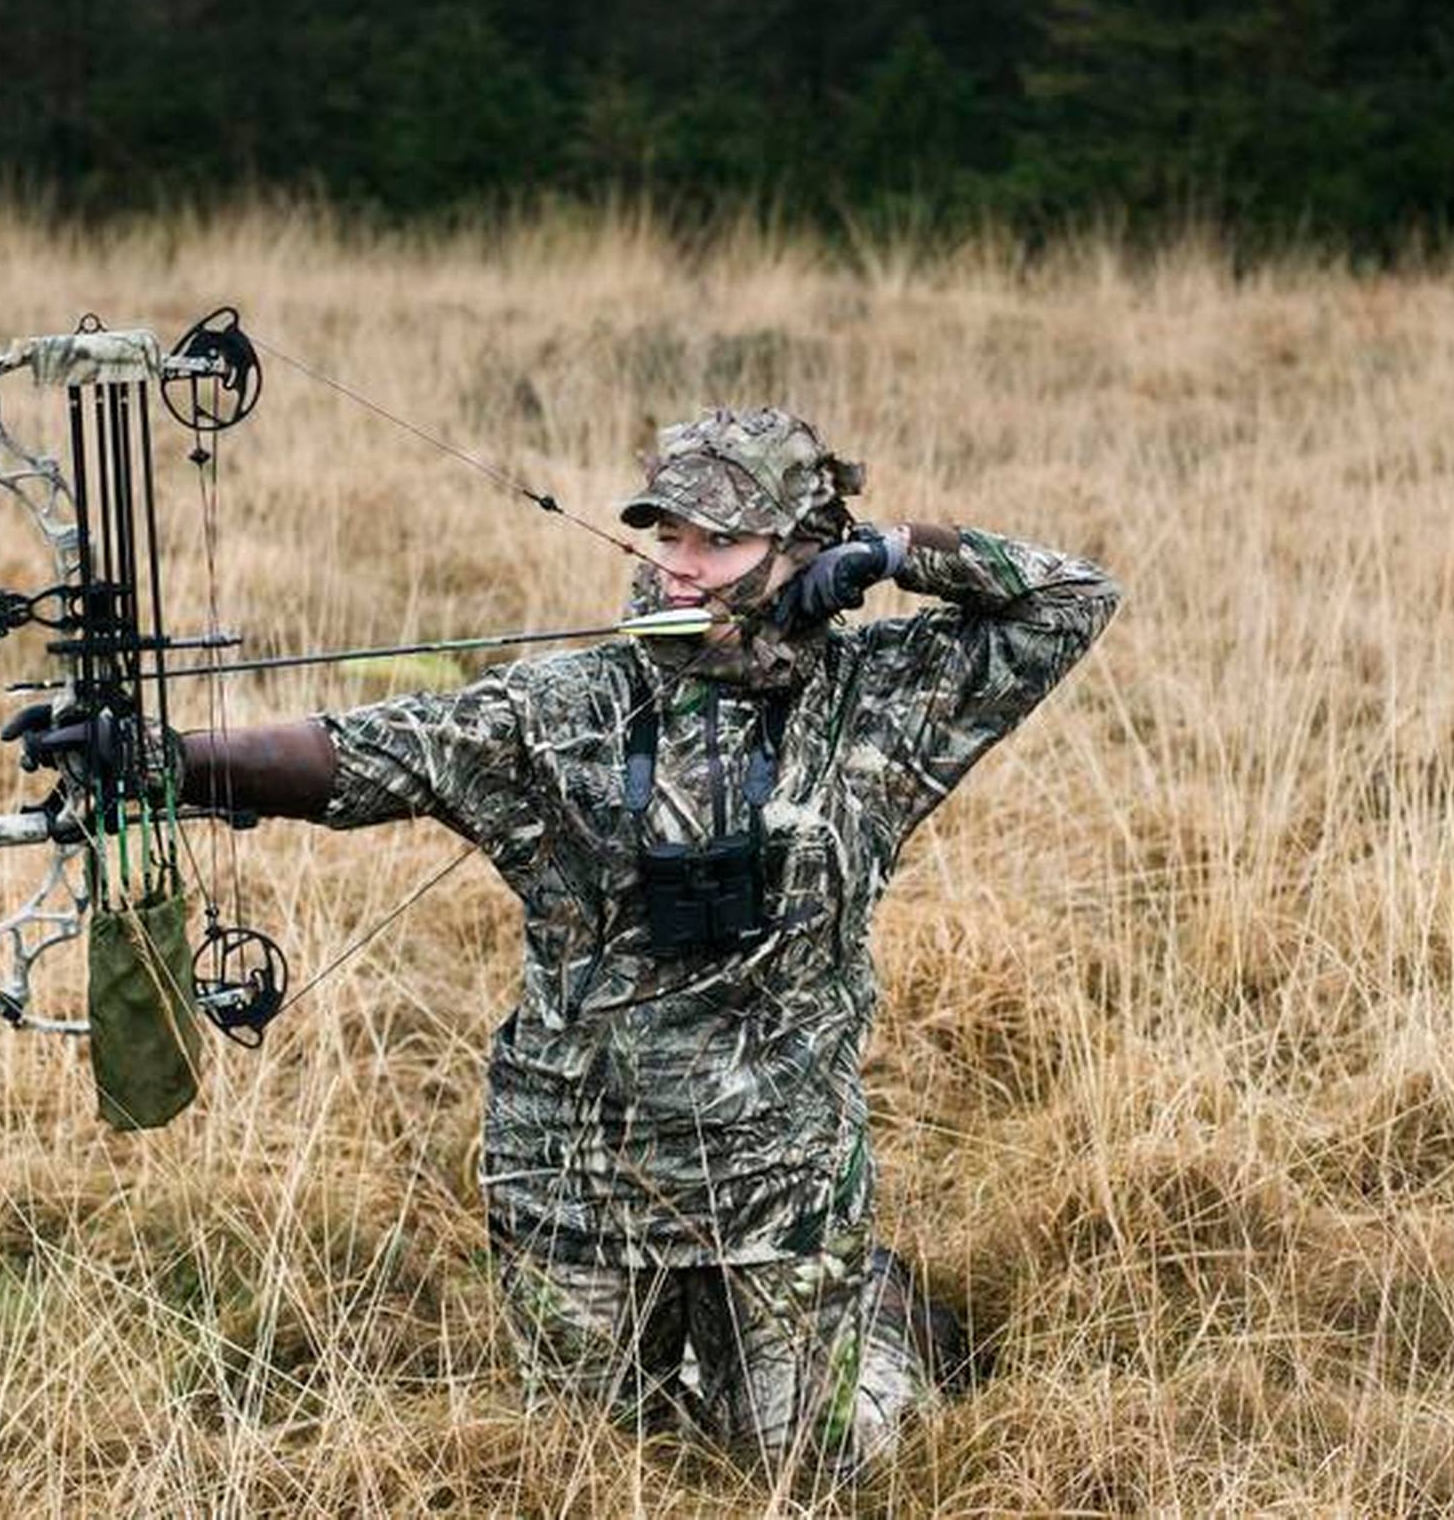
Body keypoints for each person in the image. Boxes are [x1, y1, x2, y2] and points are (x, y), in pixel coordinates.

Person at [174, 407, 1120, 1478]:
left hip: (781, 1186)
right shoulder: (566, 705)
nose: (682, 567)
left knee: (821, 1469)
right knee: (591, 1466)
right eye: (666, 535)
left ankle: (883, 1316)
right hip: (577, 1187)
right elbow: (363, 755)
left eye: (719, 542)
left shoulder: (882, 695)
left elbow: (1072, 598)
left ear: (802, 549)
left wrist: (898, 551)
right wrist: (166, 759)